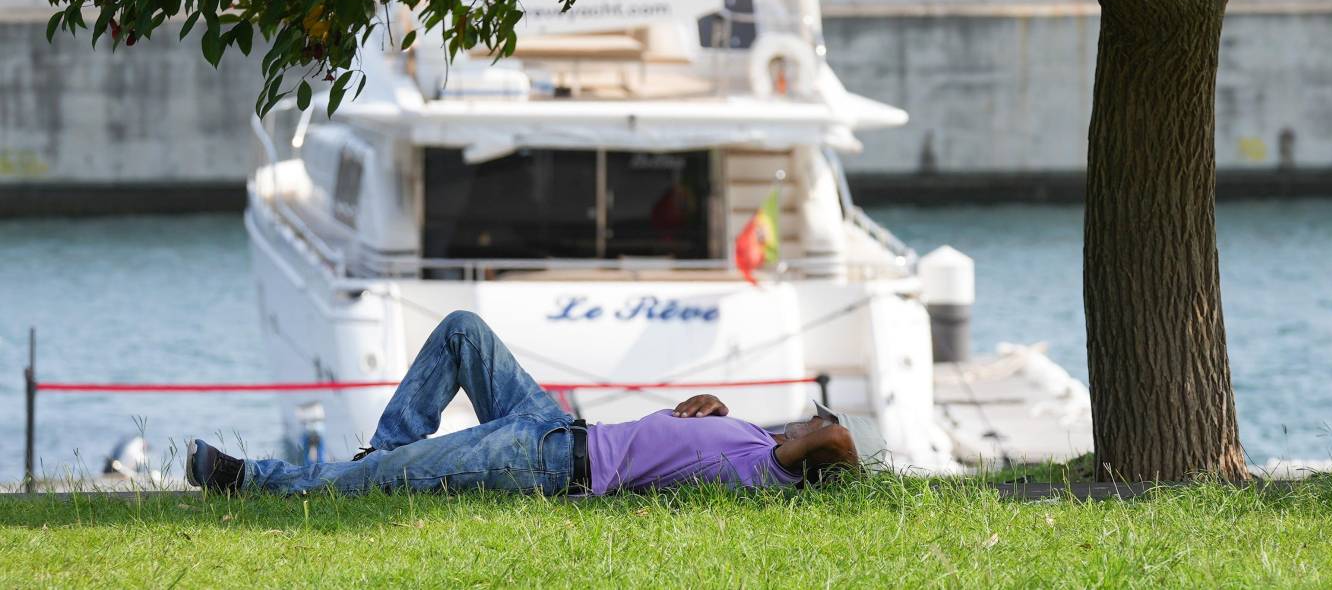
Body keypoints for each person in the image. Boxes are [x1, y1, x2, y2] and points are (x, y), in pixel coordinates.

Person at [186, 310, 888, 495]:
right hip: (552, 424)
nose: (816, 420)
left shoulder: (777, 477)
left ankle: (246, 481)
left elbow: (839, 449)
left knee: (376, 479)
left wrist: (833, 438)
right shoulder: (758, 448)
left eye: (824, 424)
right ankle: (387, 458)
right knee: (463, 330)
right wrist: (714, 406)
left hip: (544, 465)